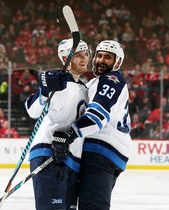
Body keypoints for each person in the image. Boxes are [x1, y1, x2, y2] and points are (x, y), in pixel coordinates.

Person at [52, 40, 132, 209]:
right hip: (103, 152)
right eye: (99, 55)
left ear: (117, 62)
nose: (101, 60)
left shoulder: (110, 79)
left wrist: (69, 134)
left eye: (108, 58)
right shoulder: (94, 83)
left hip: (101, 152)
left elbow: (97, 116)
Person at [25, 39, 90, 210]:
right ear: (65, 58)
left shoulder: (86, 89)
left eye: (86, 54)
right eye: (78, 55)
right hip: (48, 153)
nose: (84, 59)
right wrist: (45, 90)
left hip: (72, 159)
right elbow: (32, 111)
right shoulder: (57, 83)